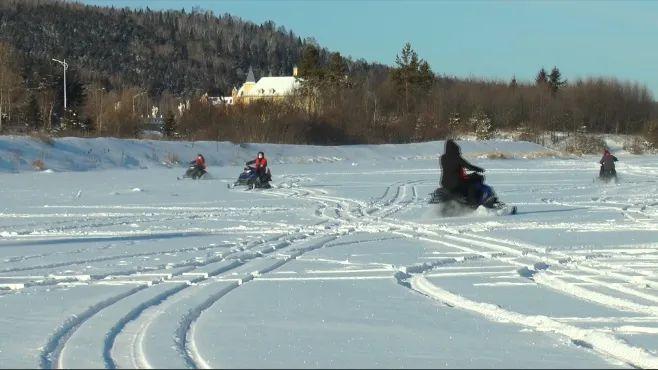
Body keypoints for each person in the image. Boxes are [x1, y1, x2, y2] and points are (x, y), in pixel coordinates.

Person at [440, 139, 486, 205]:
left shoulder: (443, 158)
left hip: (444, 183)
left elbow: (451, 167)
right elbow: (468, 166)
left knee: (468, 180)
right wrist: (478, 169)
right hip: (456, 183)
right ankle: (472, 202)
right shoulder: (457, 158)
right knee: (472, 184)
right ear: (455, 149)